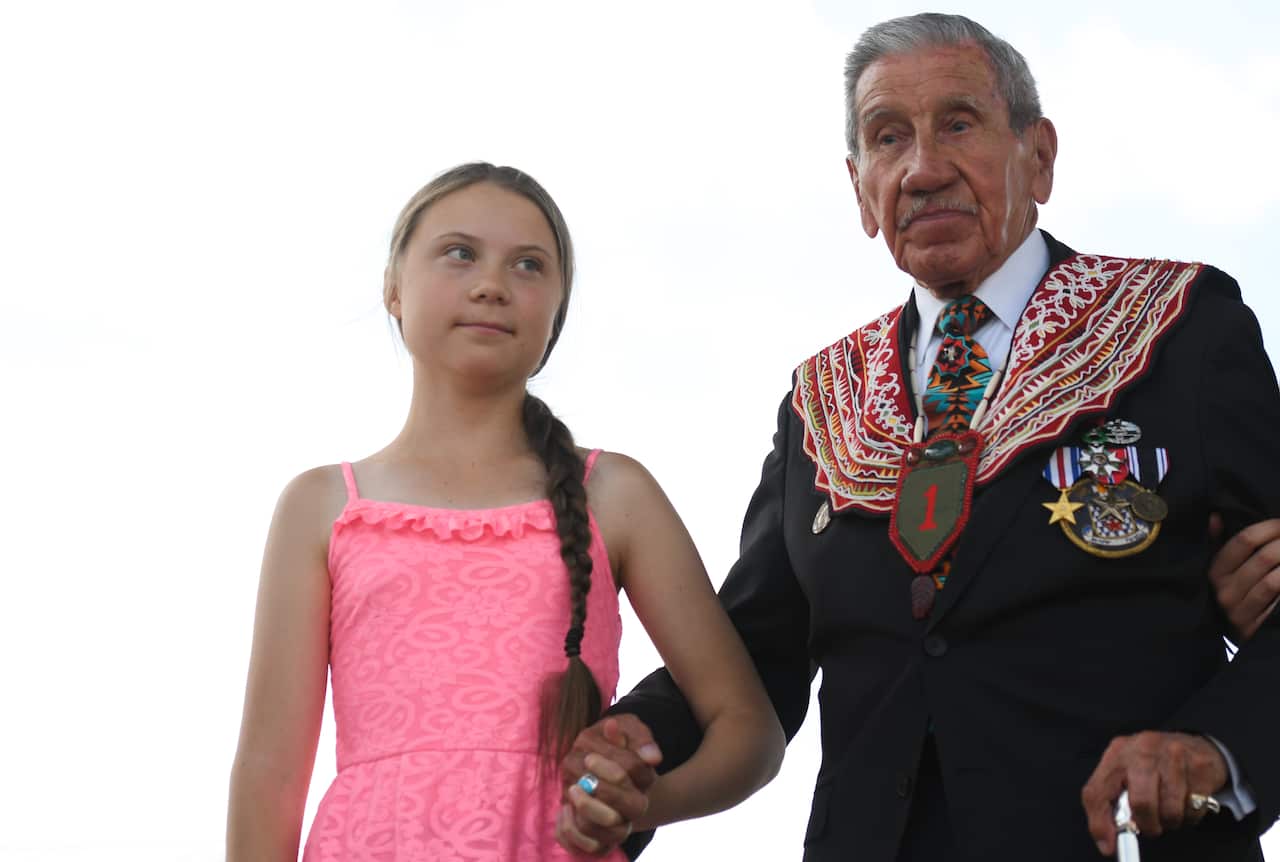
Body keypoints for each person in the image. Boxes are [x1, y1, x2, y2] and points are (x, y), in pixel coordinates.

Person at [557, 14, 1280, 862]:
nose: (924, 169)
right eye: (888, 138)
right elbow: (752, 655)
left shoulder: (1181, 330)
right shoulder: (819, 402)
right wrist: (630, 743)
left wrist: (1214, 752)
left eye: (960, 124)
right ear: (861, 189)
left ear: (1038, 157)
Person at [225, 162, 785, 861]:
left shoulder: (616, 494)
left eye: (528, 265)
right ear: (394, 289)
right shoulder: (321, 508)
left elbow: (749, 731)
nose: (492, 283)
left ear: (556, 314)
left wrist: (647, 804)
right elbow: (268, 773)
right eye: (459, 253)